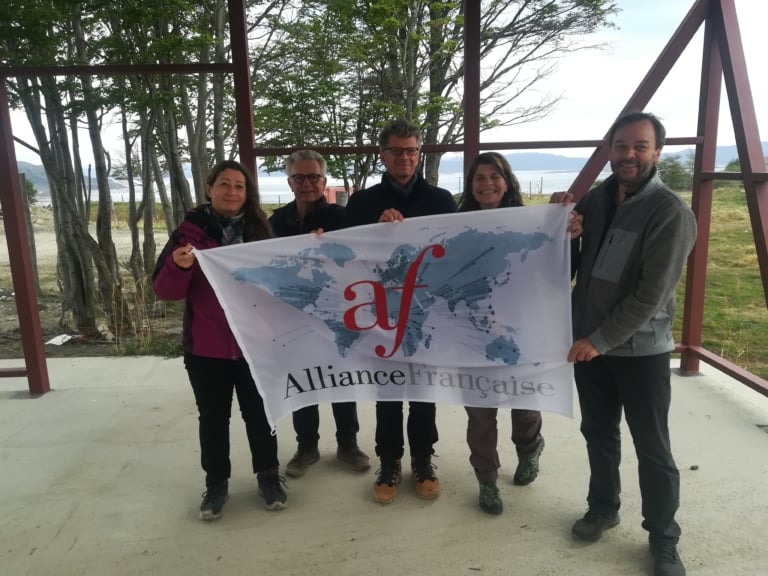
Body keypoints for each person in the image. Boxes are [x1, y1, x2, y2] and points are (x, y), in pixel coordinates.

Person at [566, 112, 696, 576]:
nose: (629, 155)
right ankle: (603, 507)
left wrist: (597, 341)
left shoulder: (670, 212)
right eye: (621, 146)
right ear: (610, 150)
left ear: (657, 152)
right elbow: (579, 268)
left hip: (639, 352)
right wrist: (566, 234)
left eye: (640, 146)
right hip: (589, 348)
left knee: (652, 447)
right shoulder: (597, 199)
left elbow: (651, 295)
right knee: (598, 434)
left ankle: (663, 537)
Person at [152, 160, 288, 519]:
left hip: (254, 346)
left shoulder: (261, 232)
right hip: (206, 348)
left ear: (248, 193)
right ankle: (216, 485)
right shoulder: (189, 234)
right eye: (224, 184)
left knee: (260, 415)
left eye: (239, 186)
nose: (232, 192)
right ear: (209, 189)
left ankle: (269, 477)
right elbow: (164, 291)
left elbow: (281, 283)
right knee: (213, 418)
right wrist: (179, 267)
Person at [458, 152, 582, 515]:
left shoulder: (534, 223)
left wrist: (567, 232)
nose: (487, 184)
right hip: (472, 335)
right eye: (479, 178)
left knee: (525, 406)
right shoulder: (455, 224)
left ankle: (530, 449)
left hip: (523, 333)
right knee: (480, 413)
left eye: (494, 176)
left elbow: (565, 271)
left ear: (507, 181)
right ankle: (486, 480)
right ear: (470, 185)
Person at [343, 118, 457, 504]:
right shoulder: (362, 203)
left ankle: (423, 460)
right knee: (387, 391)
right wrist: (374, 230)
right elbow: (345, 256)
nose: (405, 157)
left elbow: (455, 254)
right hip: (381, 313)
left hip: (426, 312)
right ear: (383, 154)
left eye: (411, 150)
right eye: (397, 150)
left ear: (419, 152)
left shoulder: (442, 201)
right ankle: (389, 461)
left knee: (424, 390)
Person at [268, 149, 370, 478]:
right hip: (293, 317)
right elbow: (263, 264)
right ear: (290, 182)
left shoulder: (342, 219)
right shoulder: (275, 221)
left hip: (337, 315)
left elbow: (360, 259)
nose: (307, 183)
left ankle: (348, 444)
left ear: (324, 181)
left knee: (342, 380)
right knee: (303, 382)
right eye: (299, 177)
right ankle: (306, 447)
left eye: (313, 177)